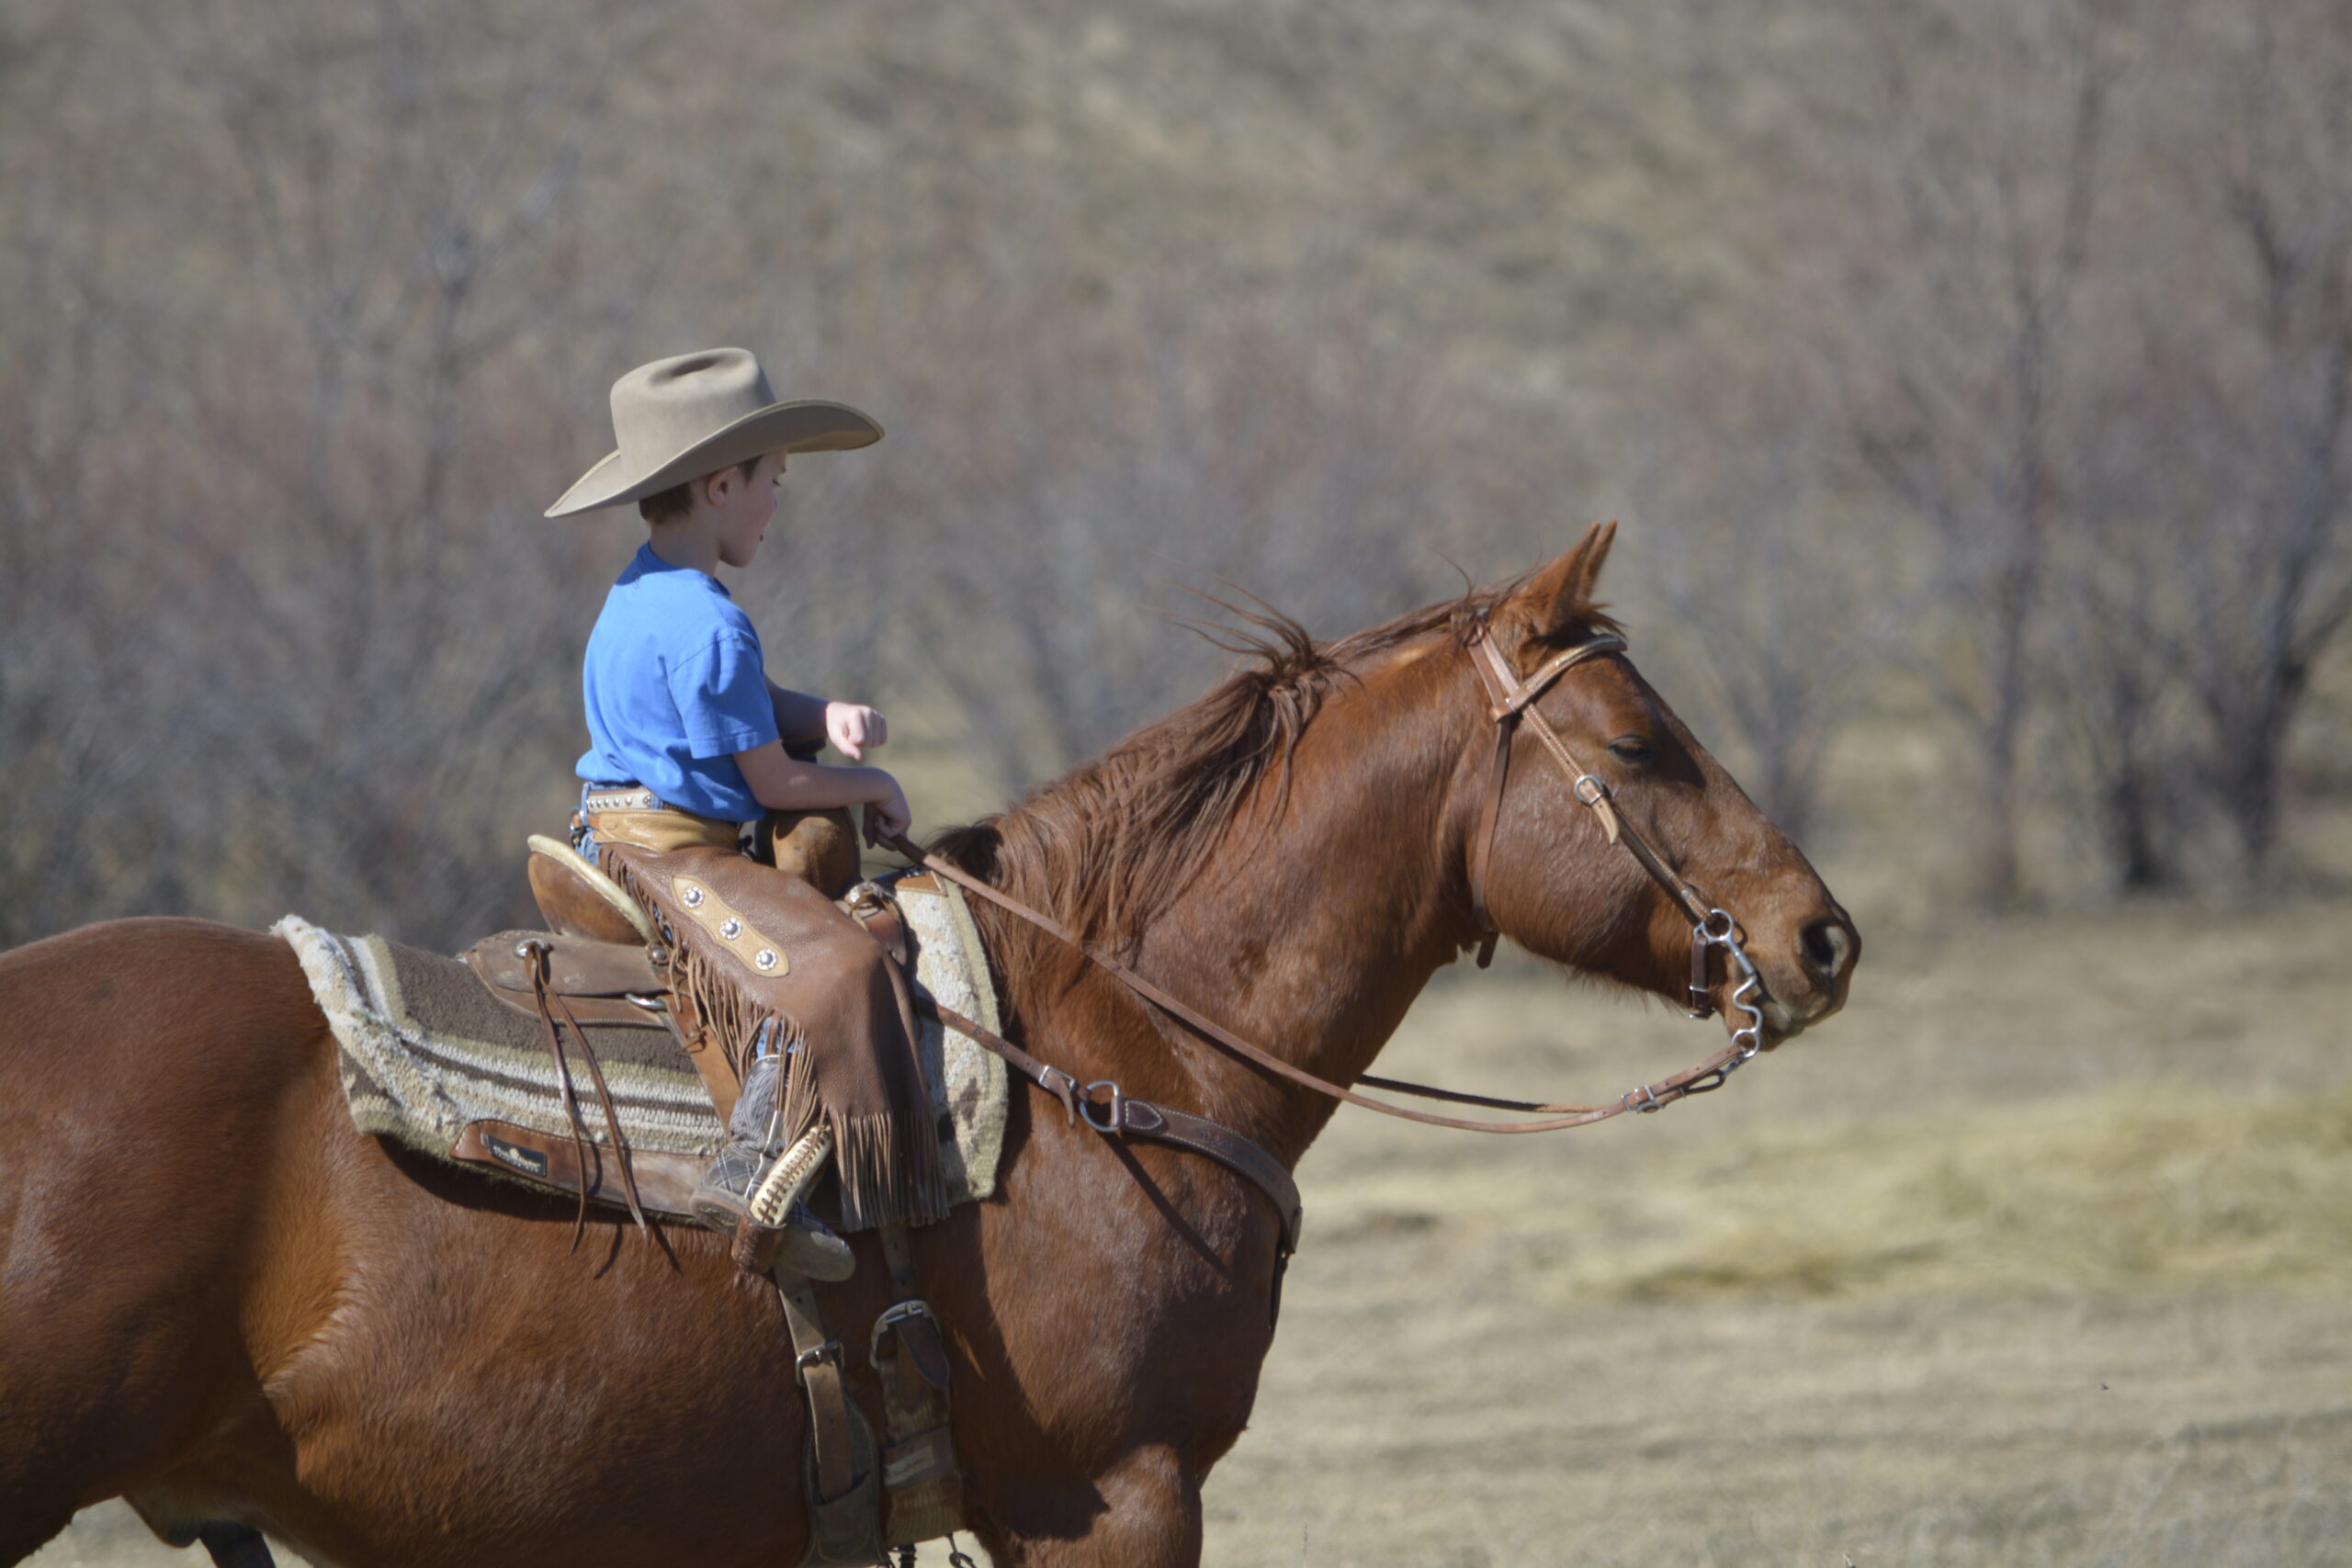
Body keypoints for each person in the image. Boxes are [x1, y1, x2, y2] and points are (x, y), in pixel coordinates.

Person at [545, 347, 940, 1278]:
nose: (776, 502)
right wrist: (874, 787)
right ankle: (753, 1161)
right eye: (771, 481)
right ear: (722, 484)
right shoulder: (712, 624)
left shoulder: (644, 590)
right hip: (677, 854)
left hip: (613, 827)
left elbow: (742, 713)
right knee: (837, 970)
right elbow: (776, 787)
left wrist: (824, 714)